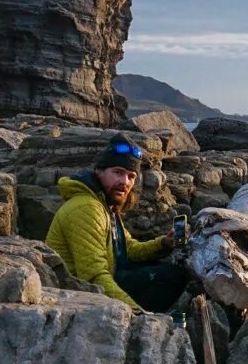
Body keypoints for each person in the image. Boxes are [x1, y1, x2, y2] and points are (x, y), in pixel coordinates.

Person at [45, 134, 186, 312]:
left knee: (169, 271)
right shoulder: (87, 208)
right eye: (118, 172)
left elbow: (128, 249)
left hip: (109, 273)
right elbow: (94, 277)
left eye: (131, 176)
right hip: (75, 293)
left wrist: (164, 243)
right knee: (172, 277)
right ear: (99, 172)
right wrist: (138, 315)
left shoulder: (105, 205)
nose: (125, 182)